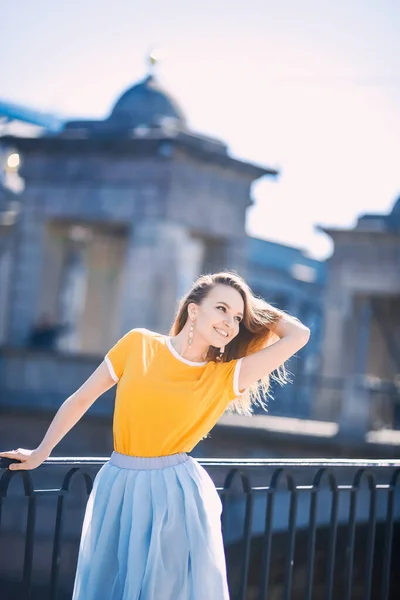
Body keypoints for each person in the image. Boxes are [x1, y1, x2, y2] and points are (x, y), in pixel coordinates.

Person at [0, 271, 310, 600]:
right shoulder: (139, 344)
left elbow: (299, 334)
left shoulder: (226, 376)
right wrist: (42, 451)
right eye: (221, 308)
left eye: (236, 317)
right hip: (117, 484)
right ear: (194, 309)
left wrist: (249, 306)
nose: (230, 323)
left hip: (175, 493)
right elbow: (81, 398)